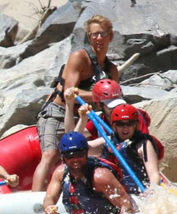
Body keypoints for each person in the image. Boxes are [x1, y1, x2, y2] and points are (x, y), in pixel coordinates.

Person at [32, 15, 118, 192]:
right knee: (50, 154)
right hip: (56, 112)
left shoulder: (111, 70)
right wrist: (100, 95)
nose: (99, 39)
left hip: (81, 118)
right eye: (94, 35)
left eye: (103, 34)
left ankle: (87, 192)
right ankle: (35, 201)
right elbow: (69, 92)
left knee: (94, 152)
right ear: (89, 36)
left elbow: (111, 102)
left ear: (111, 36)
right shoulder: (79, 57)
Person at [32, 132, 135, 214]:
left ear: (86, 153)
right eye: (70, 156)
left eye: (79, 154)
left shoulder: (100, 176)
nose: (75, 159)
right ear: (63, 157)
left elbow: (126, 205)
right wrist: (48, 208)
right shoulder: (60, 173)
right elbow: (49, 199)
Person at [101, 104, 163, 194]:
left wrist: (150, 191)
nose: (125, 128)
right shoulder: (108, 141)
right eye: (120, 124)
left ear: (135, 125)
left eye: (129, 123)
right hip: (119, 194)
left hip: (140, 192)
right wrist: (82, 117)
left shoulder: (143, 144)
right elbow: (83, 148)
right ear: (115, 126)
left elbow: (154, 175)